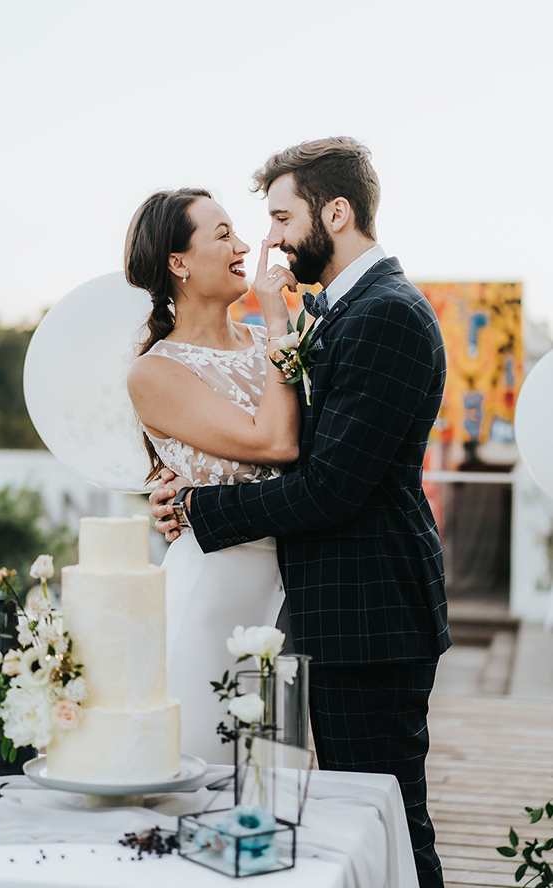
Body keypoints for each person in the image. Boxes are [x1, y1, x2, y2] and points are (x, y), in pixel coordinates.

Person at [150, 138, 451, 888]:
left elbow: (328, 488)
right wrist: (178, 479)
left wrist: (198, 506)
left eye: (283, 217)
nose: (271, 239)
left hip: (368, 613)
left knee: (384, 821)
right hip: (324, 609)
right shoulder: (341, 314)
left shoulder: (385, 316)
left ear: (336, 212)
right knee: (298, 814)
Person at [125, 187, 302, 765]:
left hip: (297, 589)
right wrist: (279, 322)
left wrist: (277, 334)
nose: (245, 245)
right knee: (199, 769)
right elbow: (274, 442)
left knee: (280, 779)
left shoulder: (269, 345)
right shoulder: (156, 373)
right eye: (223, 234)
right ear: (178, 263)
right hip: (213, 591)